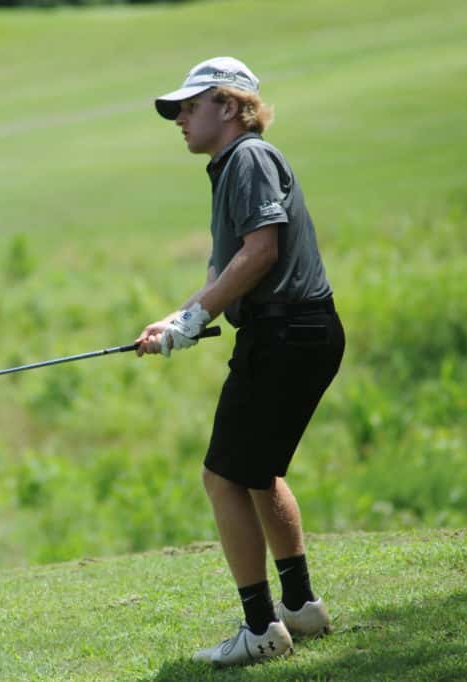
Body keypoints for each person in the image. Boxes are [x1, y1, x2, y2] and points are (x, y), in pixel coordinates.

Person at [135, 56, 345, 668]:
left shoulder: (248, 158)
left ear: (228, 106)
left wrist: (194, 318)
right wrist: (177, 318)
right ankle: (300, 607)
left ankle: (260, 629)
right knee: (257, 474)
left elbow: (260, 253)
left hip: (285, 335)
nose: (179, 118)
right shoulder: (229, 168)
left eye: (190, 106)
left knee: (222, 476)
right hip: (295, 332)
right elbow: (225, 273)